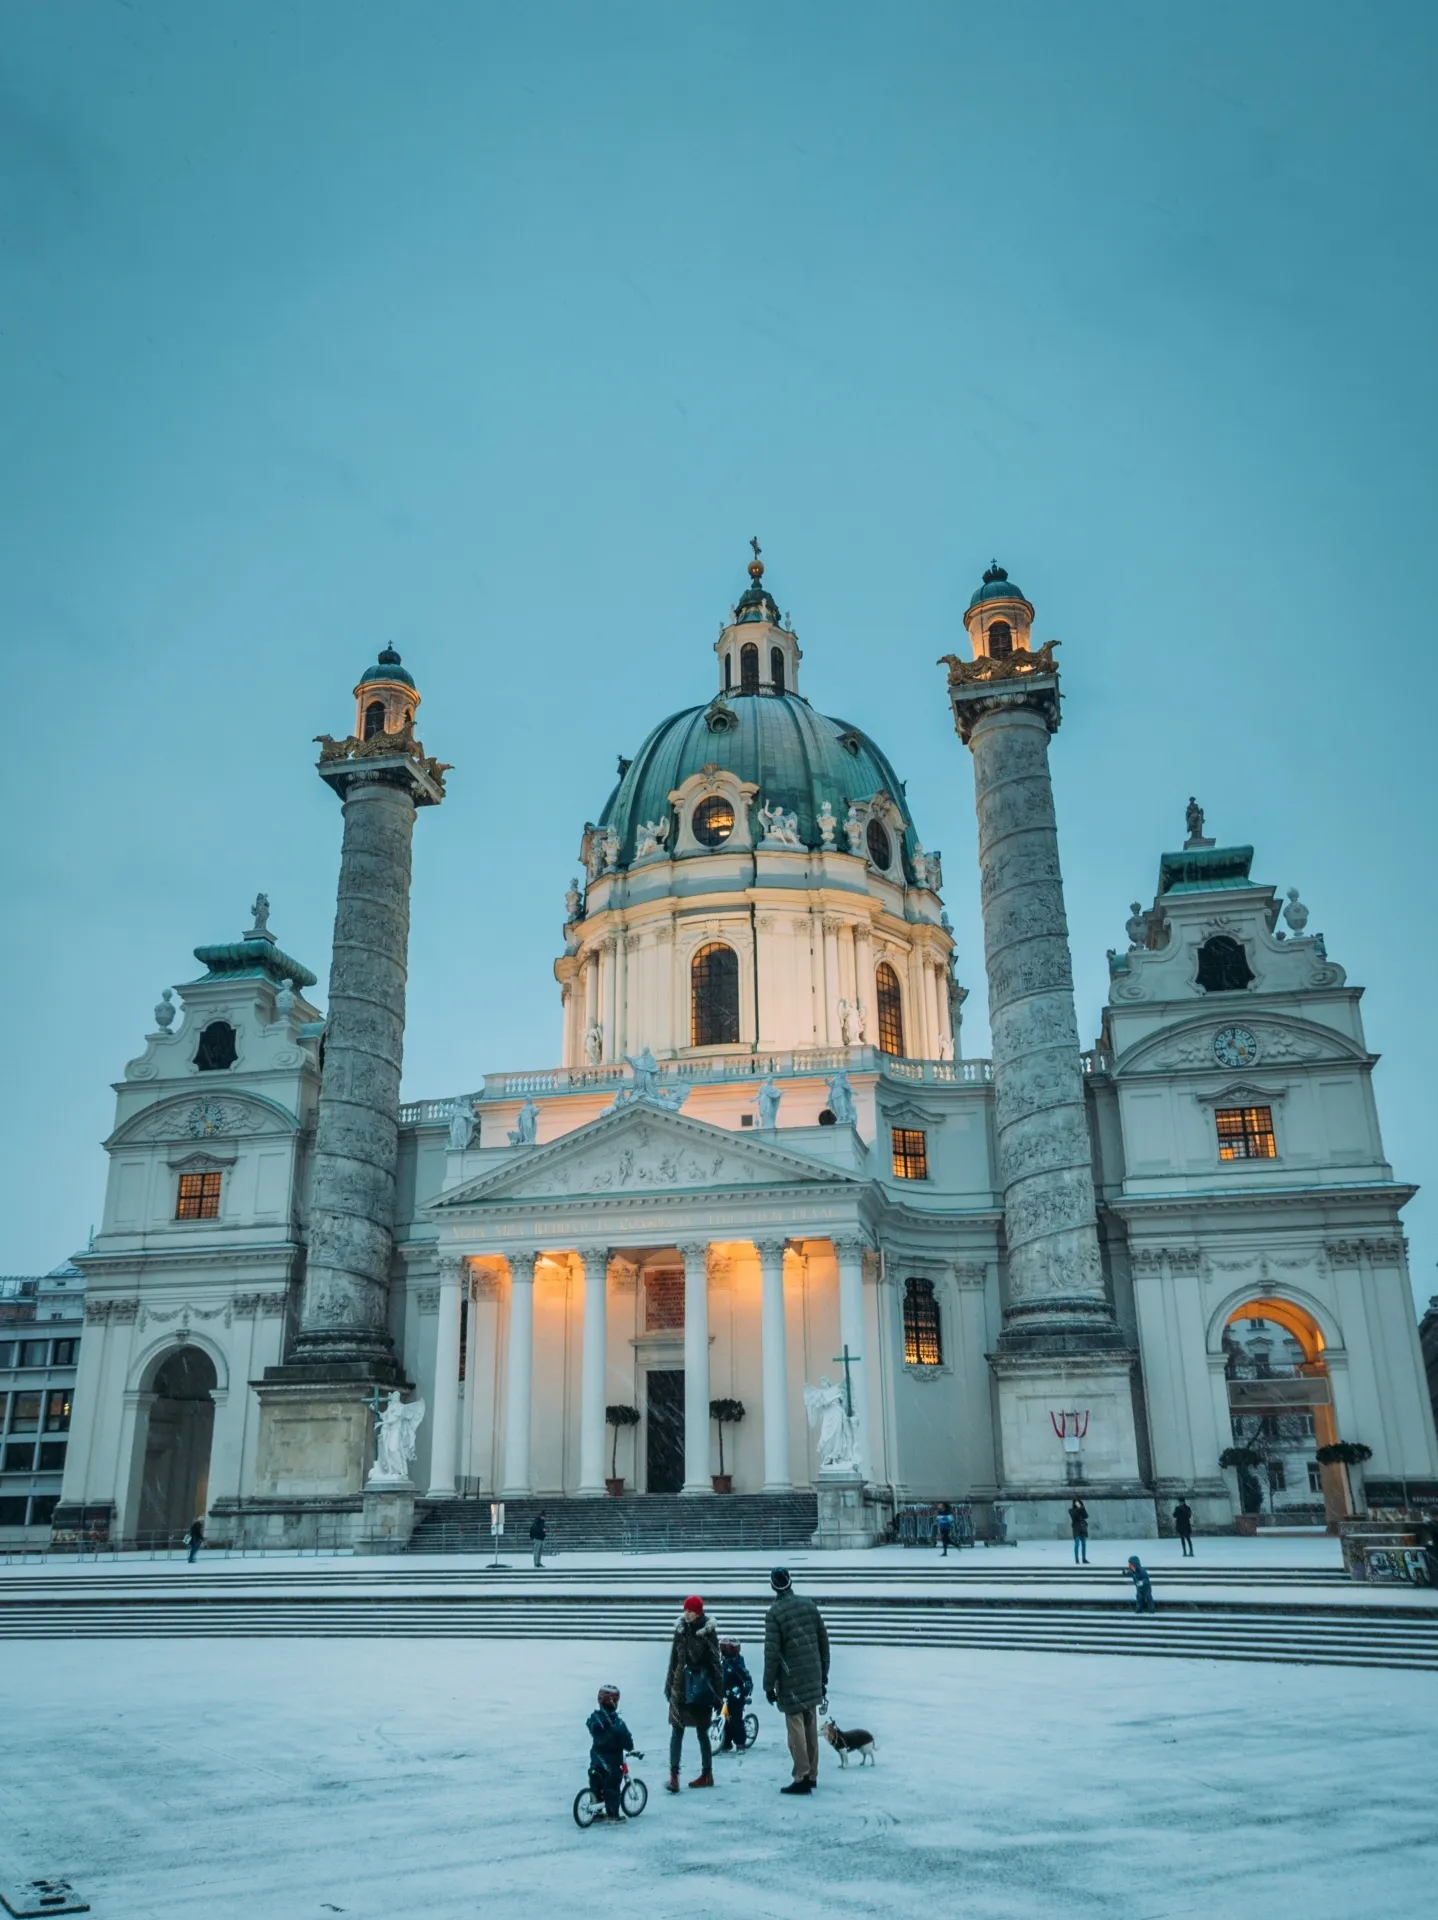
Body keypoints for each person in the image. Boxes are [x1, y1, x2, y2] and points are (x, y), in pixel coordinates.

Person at [763, 1567, 830, 1796]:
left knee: (796, 1729)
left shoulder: (775, 1613)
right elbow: (824, 1641)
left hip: (790, 1679)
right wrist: (824, 1673)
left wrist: (768, 1685)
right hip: (812, 1675)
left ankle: (801, 1775)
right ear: (791, 1582)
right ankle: (812, 1774)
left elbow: (772, 1653)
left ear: (773, 1586)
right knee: (810, 1724)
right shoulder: (808, 1605)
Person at [664, 1594, 723, 1791]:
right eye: (685, 1610)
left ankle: (707, 1774)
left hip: (700, 1687)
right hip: (680, 1686)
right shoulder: (680, 1629)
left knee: (702, 1732)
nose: (686, 1614)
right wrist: (669, 1684)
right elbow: (673, 1658)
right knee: (676, 1730)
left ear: (698, 1612)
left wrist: (718, 1694)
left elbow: (715, 1663)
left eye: (690, 1611)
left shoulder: (707, 1632)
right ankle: (673, 1776)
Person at [586, 1683, 635, 1824]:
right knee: (612, 1786)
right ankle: (613, 1815)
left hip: (596, 1757)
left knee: (596, 1783)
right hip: (612, 1761)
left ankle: (596, 1812)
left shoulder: (595, 1719)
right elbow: (627, 1742)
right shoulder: (617, 1724)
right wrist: (630, 1747)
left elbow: (592, 1728)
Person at [718, 1638, 753, 1752]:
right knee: (723, 1717)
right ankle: (726, 1742)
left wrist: (745, 1691)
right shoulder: (722, 1662)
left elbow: (746, 1677)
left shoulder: (737, 1663)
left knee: (736, 1720)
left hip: (736, 1694)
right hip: (723, 1694)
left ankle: (740, 1743)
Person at [1068, 1497, 1089, 1566]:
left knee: (1084, 1543)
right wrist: (1078, 1509)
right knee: (1077, 1544)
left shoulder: (1082, 1509)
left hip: (1083, 1527)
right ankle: (1077, 1559)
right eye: (1077, 1503)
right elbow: (1074, 1516)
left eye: (1079, 1503)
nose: (1078, 1504)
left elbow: (1086, 1516)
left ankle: (1084, 1558)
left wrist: (1082, 1508)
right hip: (1076, 1528)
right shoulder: (1071, 1510)